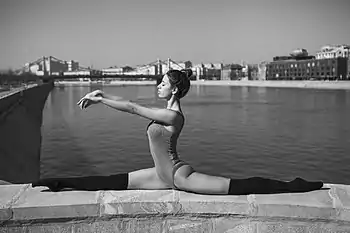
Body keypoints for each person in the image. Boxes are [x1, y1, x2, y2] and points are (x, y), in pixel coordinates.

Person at [32, 69, 323, 195]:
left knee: (238, 186)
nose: (158, 86)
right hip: (159, 175)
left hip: (179, 176)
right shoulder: (164, 111)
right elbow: (131, 104)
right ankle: (58, 182)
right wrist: (103, 92)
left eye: (162, 83)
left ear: (174, 88)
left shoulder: (173, 115)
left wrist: (100, 100)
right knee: (110, 181)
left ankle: (295, 184)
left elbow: (133, 108)